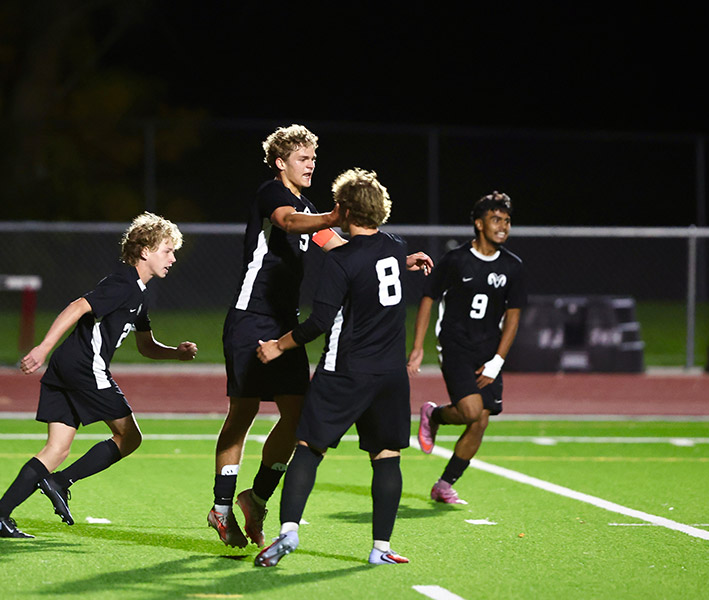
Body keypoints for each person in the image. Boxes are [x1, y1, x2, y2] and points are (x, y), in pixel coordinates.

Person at [253, 168, 432, 567]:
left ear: (344, 209)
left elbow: (319, 322)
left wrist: (278, 346)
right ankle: (380, 549)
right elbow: (380, 263)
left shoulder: (341, 260)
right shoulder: (394, 247)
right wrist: (405, 261)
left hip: (346, 370)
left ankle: (288, 532)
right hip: (390, 375)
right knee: (386, 457)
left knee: (308, 448)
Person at [0, 212, 198, 538]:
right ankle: (60, 481)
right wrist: (42, 348)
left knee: (56, 449)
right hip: (85, 367)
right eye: (167, 250)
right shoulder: (123, 283)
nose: (173, 257)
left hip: (66, 368)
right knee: (130, 437)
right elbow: (77, 307)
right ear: (145, 252)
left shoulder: (139, 294)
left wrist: (175, 353)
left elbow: (145, 346)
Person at [211, 124, 346, 548]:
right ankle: (220, 508)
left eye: (313, 158)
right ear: (280, 162)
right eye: (303, 158)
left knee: (299, 415)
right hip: (250, 318)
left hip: (284, 325)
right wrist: (331, 215)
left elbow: (343, 247)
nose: (311, 164)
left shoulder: (309, 208)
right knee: (244, 411)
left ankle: (257, 497)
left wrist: (397, 255)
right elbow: (288, 222)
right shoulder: (273, 194)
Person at [407, 191, 525, 505]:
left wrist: (498, 361)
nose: (503, 226)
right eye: (496, 219)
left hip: (489, 350)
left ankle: (444, 484)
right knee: (472, 411)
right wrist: (418, 347)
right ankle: (434, 415)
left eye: (507, 221)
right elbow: (428, 297)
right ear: (479, 223)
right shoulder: (457, 259)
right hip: (456, 344)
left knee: (481, 421)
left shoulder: (513, 267)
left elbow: (513, 317)